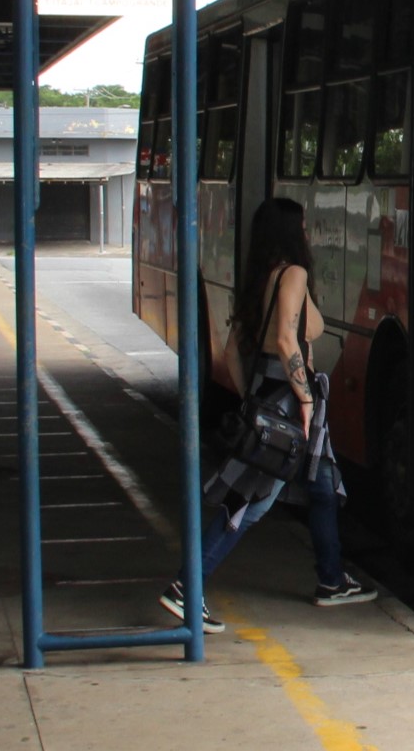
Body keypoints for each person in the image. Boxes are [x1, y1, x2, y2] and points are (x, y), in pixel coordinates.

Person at [159, 196, 375, 633]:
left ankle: (331, 579)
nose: (310, 234)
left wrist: (252, 401)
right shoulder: (292, 275)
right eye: (303, 227)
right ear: (292, 233)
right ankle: (186, 587)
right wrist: (305, 401)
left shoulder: (264, 280)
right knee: (250, 503)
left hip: (266, 397)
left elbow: (234, 349)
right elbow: (287, 340)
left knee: (323, 485)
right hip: (290, 403)